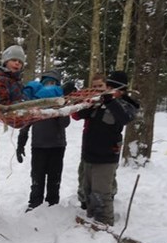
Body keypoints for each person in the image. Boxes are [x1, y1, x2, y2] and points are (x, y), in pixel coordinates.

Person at [71, 71, 139, 226]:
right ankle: (92, 217)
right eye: (107, 87)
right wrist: (78, 99)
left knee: (101, 192)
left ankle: (105, 222)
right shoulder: (99, 101)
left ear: (120, 90)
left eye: (111, 87)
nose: (106, 90)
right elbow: (79, 114)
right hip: (89, 153)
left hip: (106, 156)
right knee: (88, 190)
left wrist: (109, 101)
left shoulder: (126, 104)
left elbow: (124, 118)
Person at [16, 69, 70, 211]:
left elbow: (65, 124)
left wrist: (59, 110)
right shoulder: (35, 104)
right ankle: (35, 203)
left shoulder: (61, 102)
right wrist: (20, 145)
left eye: (53, 83)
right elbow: (25, 125)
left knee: (54, 177)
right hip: (38, 145)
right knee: (37, 177)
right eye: (47, 83)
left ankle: (52, 203)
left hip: (57, 145)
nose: (50, 86)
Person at [76, 74, 107, 210]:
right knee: (84, 171)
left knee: (105, 175)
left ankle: (108, 197)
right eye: (95, 86)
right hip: (88, 141)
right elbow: (76, 115)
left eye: (100, 86)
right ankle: (84, 198)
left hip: (106, 145)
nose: (97, 89)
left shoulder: (111, 101)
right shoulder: (90, 100)